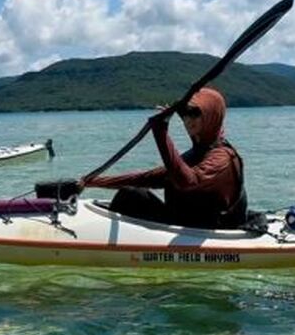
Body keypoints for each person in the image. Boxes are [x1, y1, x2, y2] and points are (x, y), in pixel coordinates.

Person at [81, 87, 246, 229]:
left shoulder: (222, 157)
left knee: (130, 195)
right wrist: (89, 182)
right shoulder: (197, 152)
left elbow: (188, 181)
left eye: (195, 113)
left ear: (212, 115)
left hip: (206, 230)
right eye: (184, 114)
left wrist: (161, 133)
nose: (188, 120)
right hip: (184, 224)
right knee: (131, 193)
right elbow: (147, 178)